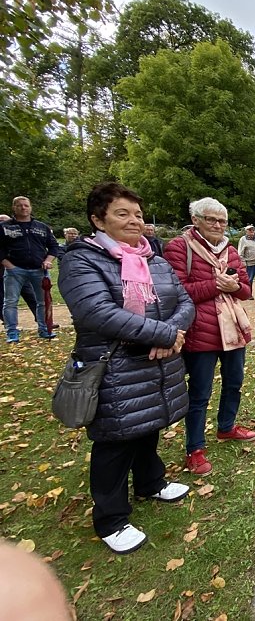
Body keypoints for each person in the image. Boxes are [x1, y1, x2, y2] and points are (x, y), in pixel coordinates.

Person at [58, 182, 195, 554]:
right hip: (114, 368)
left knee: (147, 426)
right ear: (97, 219)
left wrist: (170, 333)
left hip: (156, 362)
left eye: (137, 213)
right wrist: (165, 334)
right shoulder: (81, 259)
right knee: (115, 441)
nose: (134, 220)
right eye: (122, 213)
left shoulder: (154, 258)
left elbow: (184, 302)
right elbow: (97, 312)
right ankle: (111, 518)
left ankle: (151, 482)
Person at [164, 197, 255, 477]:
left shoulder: (229, 250)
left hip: (232, 329)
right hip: (200, 331)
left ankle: (226, 427)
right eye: (211, 219)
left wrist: (235, 285)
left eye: (222, 221)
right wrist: (216, 285)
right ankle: (195, 447)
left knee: (234, 383)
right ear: (196, 220)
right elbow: (177, 291)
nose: (218, 225)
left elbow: (246, 291)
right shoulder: (180, 247)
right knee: (200, 393)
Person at [0, 196, 59, 343]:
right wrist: (8, 265)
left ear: (30, 207)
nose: (23, 208)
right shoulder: (5, 227)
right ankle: (12, 332)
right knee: (10, 302)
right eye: (19, 206)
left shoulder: (41, 227)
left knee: (43, 302)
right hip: (15, 270)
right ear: (14, 208)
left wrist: (48, 260)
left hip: (39, 270)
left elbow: (53, 246)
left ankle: (44, 329)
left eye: (26, 205)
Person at [0, 214, 39, 326]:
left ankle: (41, 318)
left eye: (4, 221)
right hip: (3, 272)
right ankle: (8, 322)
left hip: (19, 270)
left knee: (30, 295)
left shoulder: (17, 235)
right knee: (5, 299)